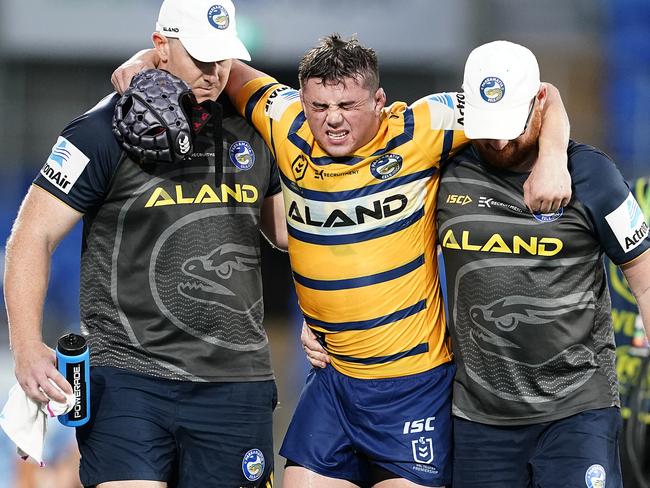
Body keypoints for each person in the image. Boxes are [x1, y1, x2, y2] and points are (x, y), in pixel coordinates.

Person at [113, 34, 570, 487]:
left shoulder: (427, 124)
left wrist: (552, 158)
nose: (332, 120)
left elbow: (538, 100)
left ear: (379, 101)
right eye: (319, 107)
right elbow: (219, 66)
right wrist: (144, 61)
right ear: (301, 100)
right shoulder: (282, 116)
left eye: (348, 106)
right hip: (332, 377)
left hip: (411, 384)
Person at [305, 40, 650, 487]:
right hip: (477, 419)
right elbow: (372, 241)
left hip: (577, 410)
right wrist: (322, 317)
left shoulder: (593, 177)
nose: (501, 141)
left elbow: (644, 281)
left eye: (512, 124)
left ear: (538, 106)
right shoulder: (443, 168)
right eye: (488, 127)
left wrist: (552, 154)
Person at [4, 0, 287, 486]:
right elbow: (32, 234)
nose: (213, 73)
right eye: (200, 57)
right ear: (161, 46)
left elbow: (286, 235)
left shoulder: (255, 132)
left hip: (234, 383)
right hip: (127, 380)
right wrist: (26, 346)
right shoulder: (98, 132)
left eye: (223, 58)